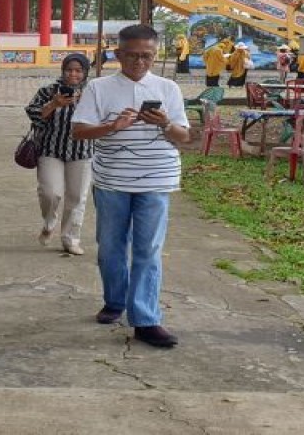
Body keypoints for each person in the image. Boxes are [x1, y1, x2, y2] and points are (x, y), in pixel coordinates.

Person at [72, 24, 190, 349]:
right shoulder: (99, 87)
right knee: (111, 247)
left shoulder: (168, 88)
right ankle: (114, 299)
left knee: (148, 249)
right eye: (132, 55)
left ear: (155, 55)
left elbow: (184, 136)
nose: (139, 62)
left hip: (157, 179)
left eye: (147, 56)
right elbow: (79, 131)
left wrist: (165, 123)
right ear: (117, 54)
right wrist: (113, 126)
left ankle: (146, 319)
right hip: (112, 181)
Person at [25, 54, 94, 256]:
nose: (73, 74)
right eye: (69, 70)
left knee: (77, 197)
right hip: (50, 150)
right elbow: (33, 113)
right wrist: (54, 104)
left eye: (78, 70)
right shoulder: (48, 91)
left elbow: (104, 116)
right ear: (62, 71)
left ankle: (70, 238)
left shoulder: (93, 92)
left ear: (85, 73)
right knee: (49, 192)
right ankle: (49, 222)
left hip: (82, 151)